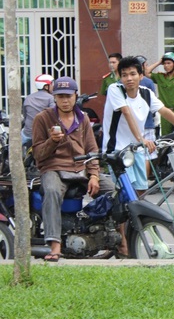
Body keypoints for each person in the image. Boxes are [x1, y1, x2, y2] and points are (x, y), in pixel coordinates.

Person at [32, 76, 114, 262]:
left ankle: (110, 237)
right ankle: (54, 244)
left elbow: (92, 150)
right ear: (54, 97)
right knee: (51, 191)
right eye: (60, 96)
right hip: (54, 168)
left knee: (111, 189)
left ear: (76, 96)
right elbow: (38, 154)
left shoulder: (83, 118)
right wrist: (52, 141)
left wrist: (93, 175)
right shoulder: (42, 118)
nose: (65, 100)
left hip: (80, 168)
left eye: (68, 96)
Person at [103, 56, 174, 193]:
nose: (129, 79)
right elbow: (126, 113)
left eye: (133, 74)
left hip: (136, 149)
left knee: (140, 192)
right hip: (117, 150)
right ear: (120, 77)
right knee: (127, 192)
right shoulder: (115, 89)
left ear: (141, 75)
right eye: (124, 75)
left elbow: (165, 112)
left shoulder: (146, 94)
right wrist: (142, 139)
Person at [145, 52, 174, 136]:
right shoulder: (160, 77)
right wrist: (159, 62)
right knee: (166, 138)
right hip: (166, 112)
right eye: (164, 63)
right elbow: (146, 72)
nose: (166, 66)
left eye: (169, 63)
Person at [136, 55, 159, 178]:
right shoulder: (148, 82)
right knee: (146, 156)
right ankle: (144, 182)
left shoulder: (120, 83)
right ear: (143, 66)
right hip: (148, 123)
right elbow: (153, 104)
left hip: (134, 125)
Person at [22, 74, 55, 147]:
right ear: (46, 86)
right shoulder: (51, 98)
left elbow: (25, 115)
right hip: (43, 134)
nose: (53, 86)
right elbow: (54, 115)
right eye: (52, 84)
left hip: (27, 133)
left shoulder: (28, 98)